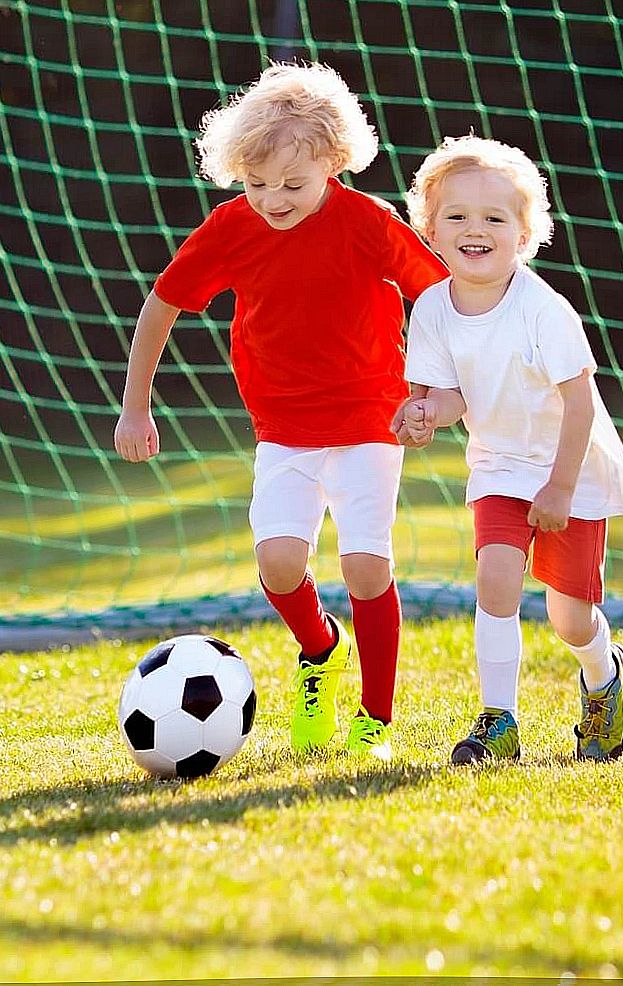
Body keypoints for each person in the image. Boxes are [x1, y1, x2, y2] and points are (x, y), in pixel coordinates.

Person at [114, 61, 451, 763]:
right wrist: (135, 407)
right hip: (283, 429)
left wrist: (432, 393)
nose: (272, 198)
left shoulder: (368, 223)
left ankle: (375, 721)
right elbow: (163, 303)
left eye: (293, 184)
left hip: (369, 419)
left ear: (335, 161)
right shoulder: (232, 227)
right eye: (257, 182)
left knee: (365, 567)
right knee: (277, 563)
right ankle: (319, 648)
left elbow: (441, 299)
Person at [395, 133, 623, 764]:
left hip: (570, 469)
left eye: (493, 218)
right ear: (430, 229)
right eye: (456, 216)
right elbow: (452, 398)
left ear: (524, 232)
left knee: (571, 618)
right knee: (495, 578)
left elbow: (582, 403)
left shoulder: (544, 311)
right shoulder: (430, 308)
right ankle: (498, 717)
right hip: (500, 466)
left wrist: (560, 487)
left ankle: (602, 672)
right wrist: (425, 411)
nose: (474, 230)